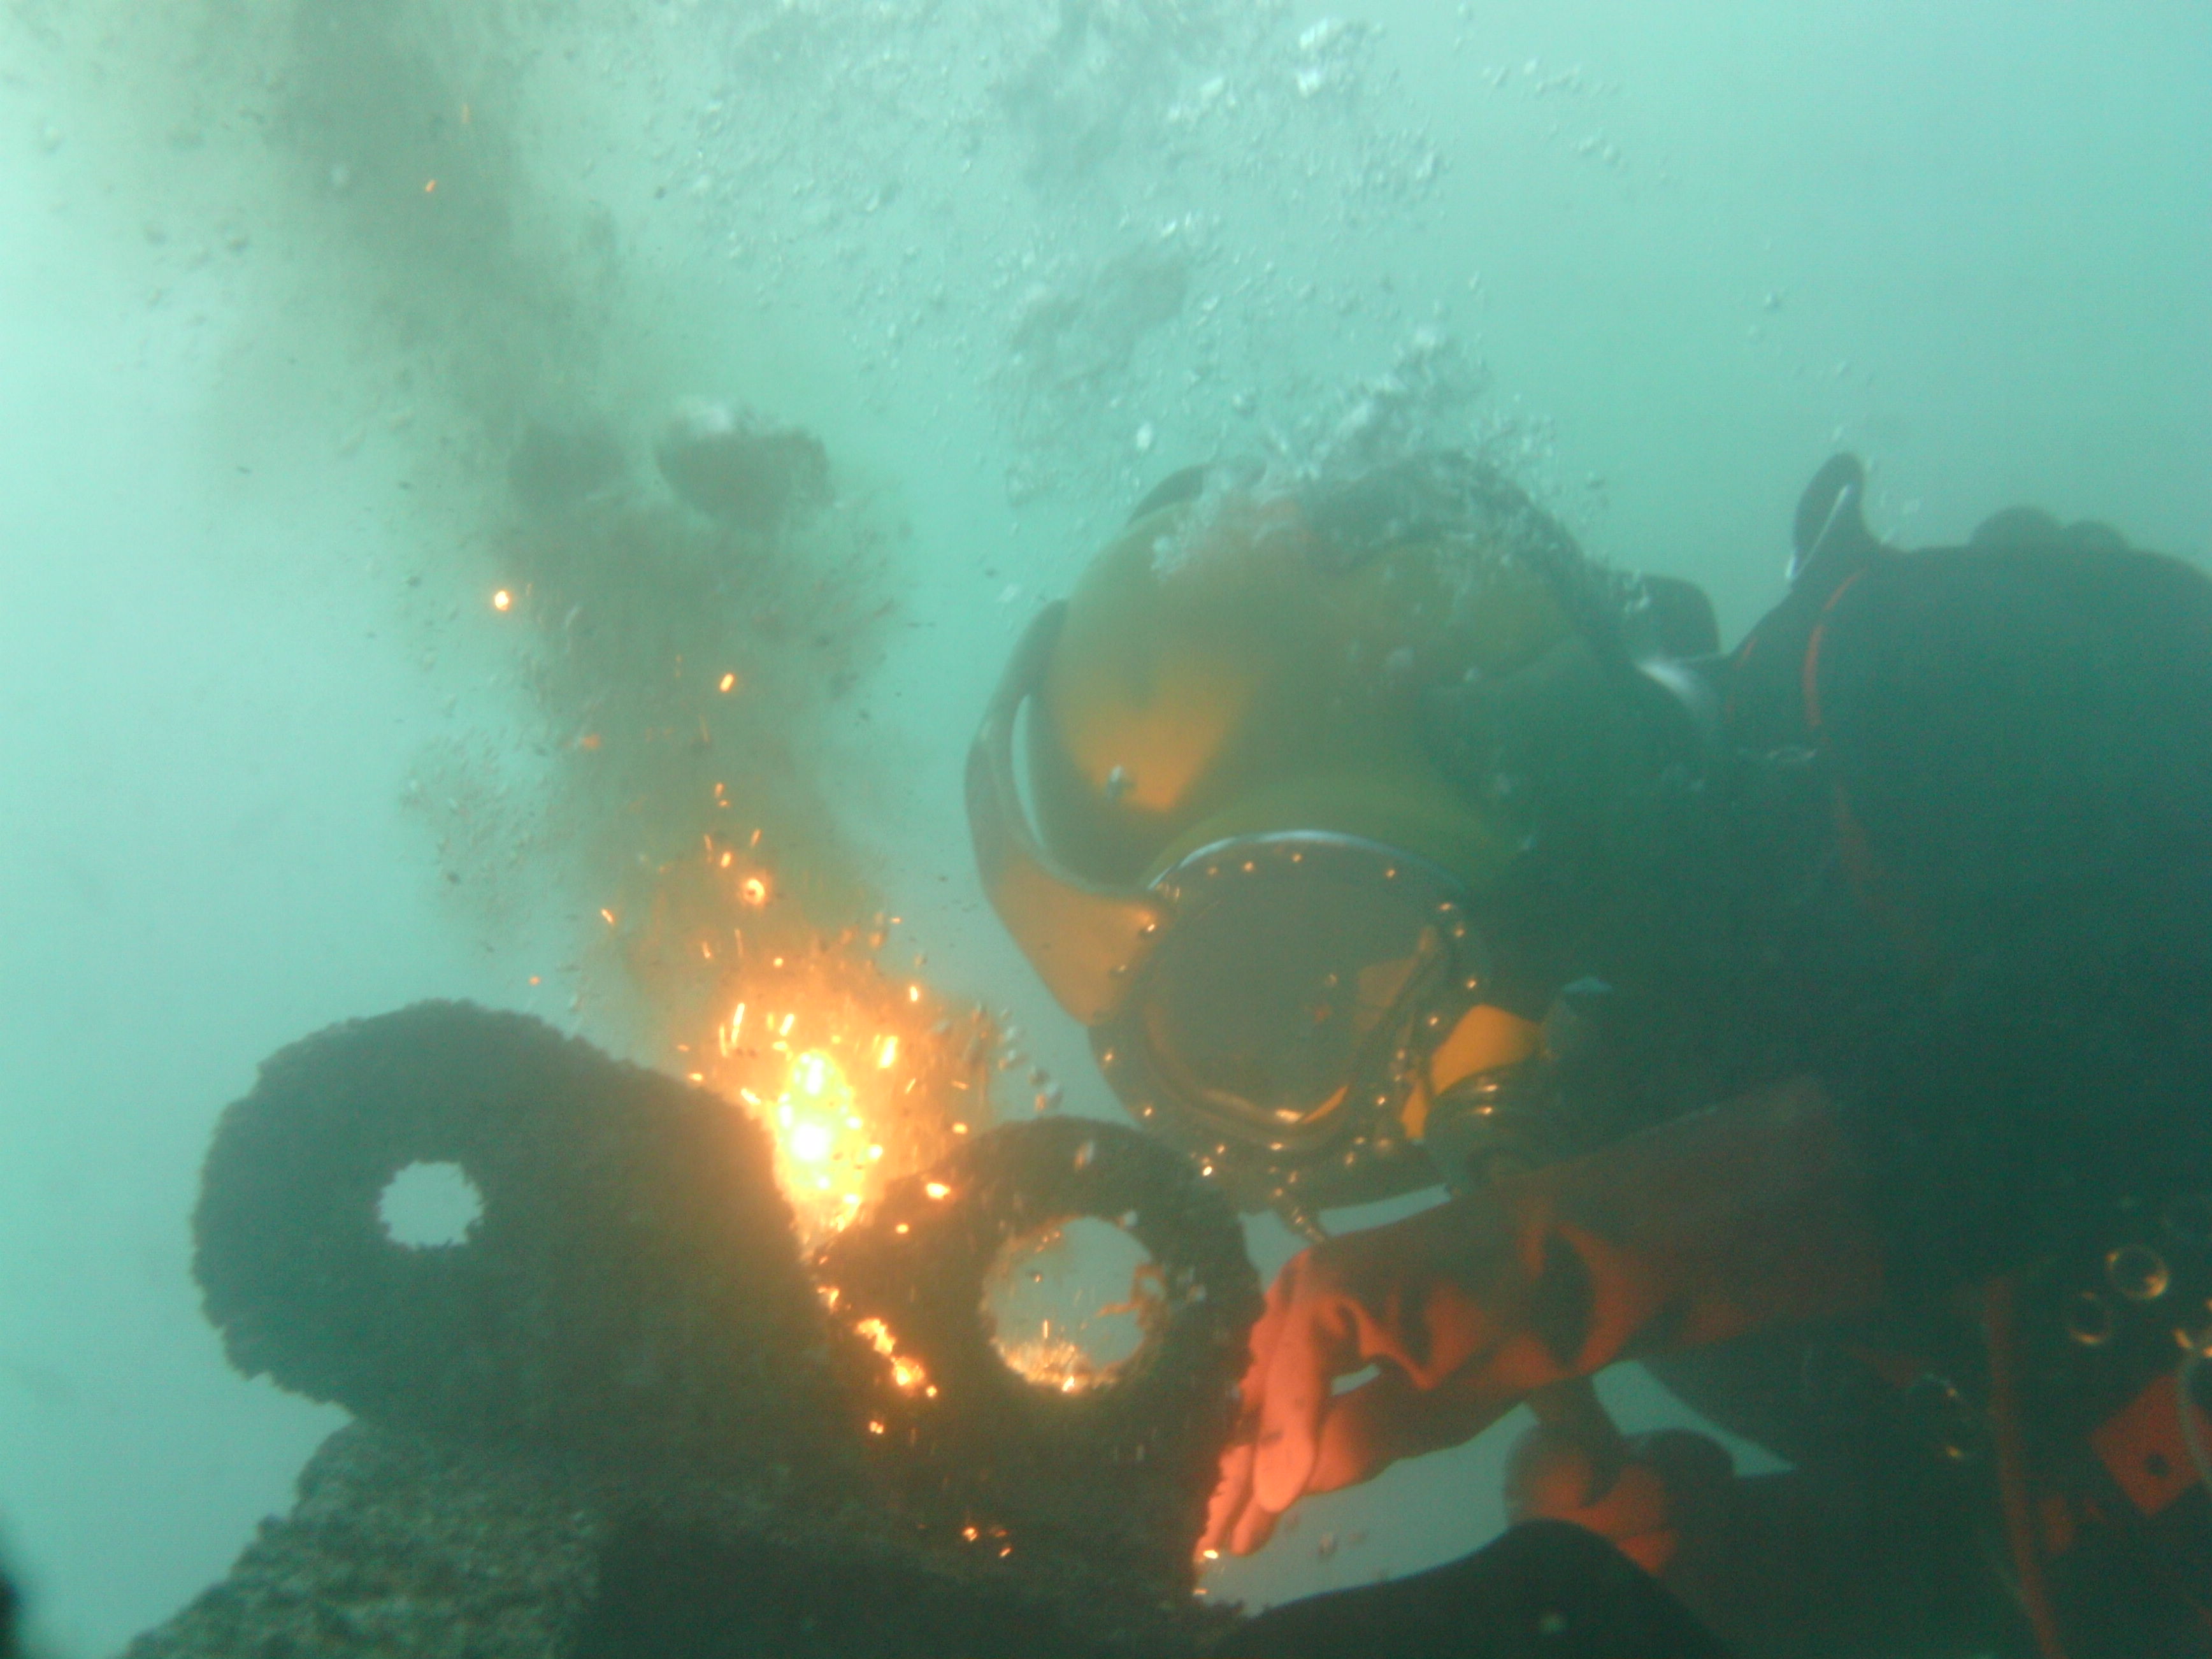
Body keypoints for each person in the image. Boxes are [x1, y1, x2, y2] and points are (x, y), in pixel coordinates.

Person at [965, 450, 2212, 1657]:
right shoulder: (1644, 1166)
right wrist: (1738, 1575)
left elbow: (2130, 1039)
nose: (1404, 1080)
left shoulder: (1940, 671)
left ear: (1530, 765)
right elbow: (2028, 1538)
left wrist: (1561, 1260)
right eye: (1279, 1034)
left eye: (1341, 949)